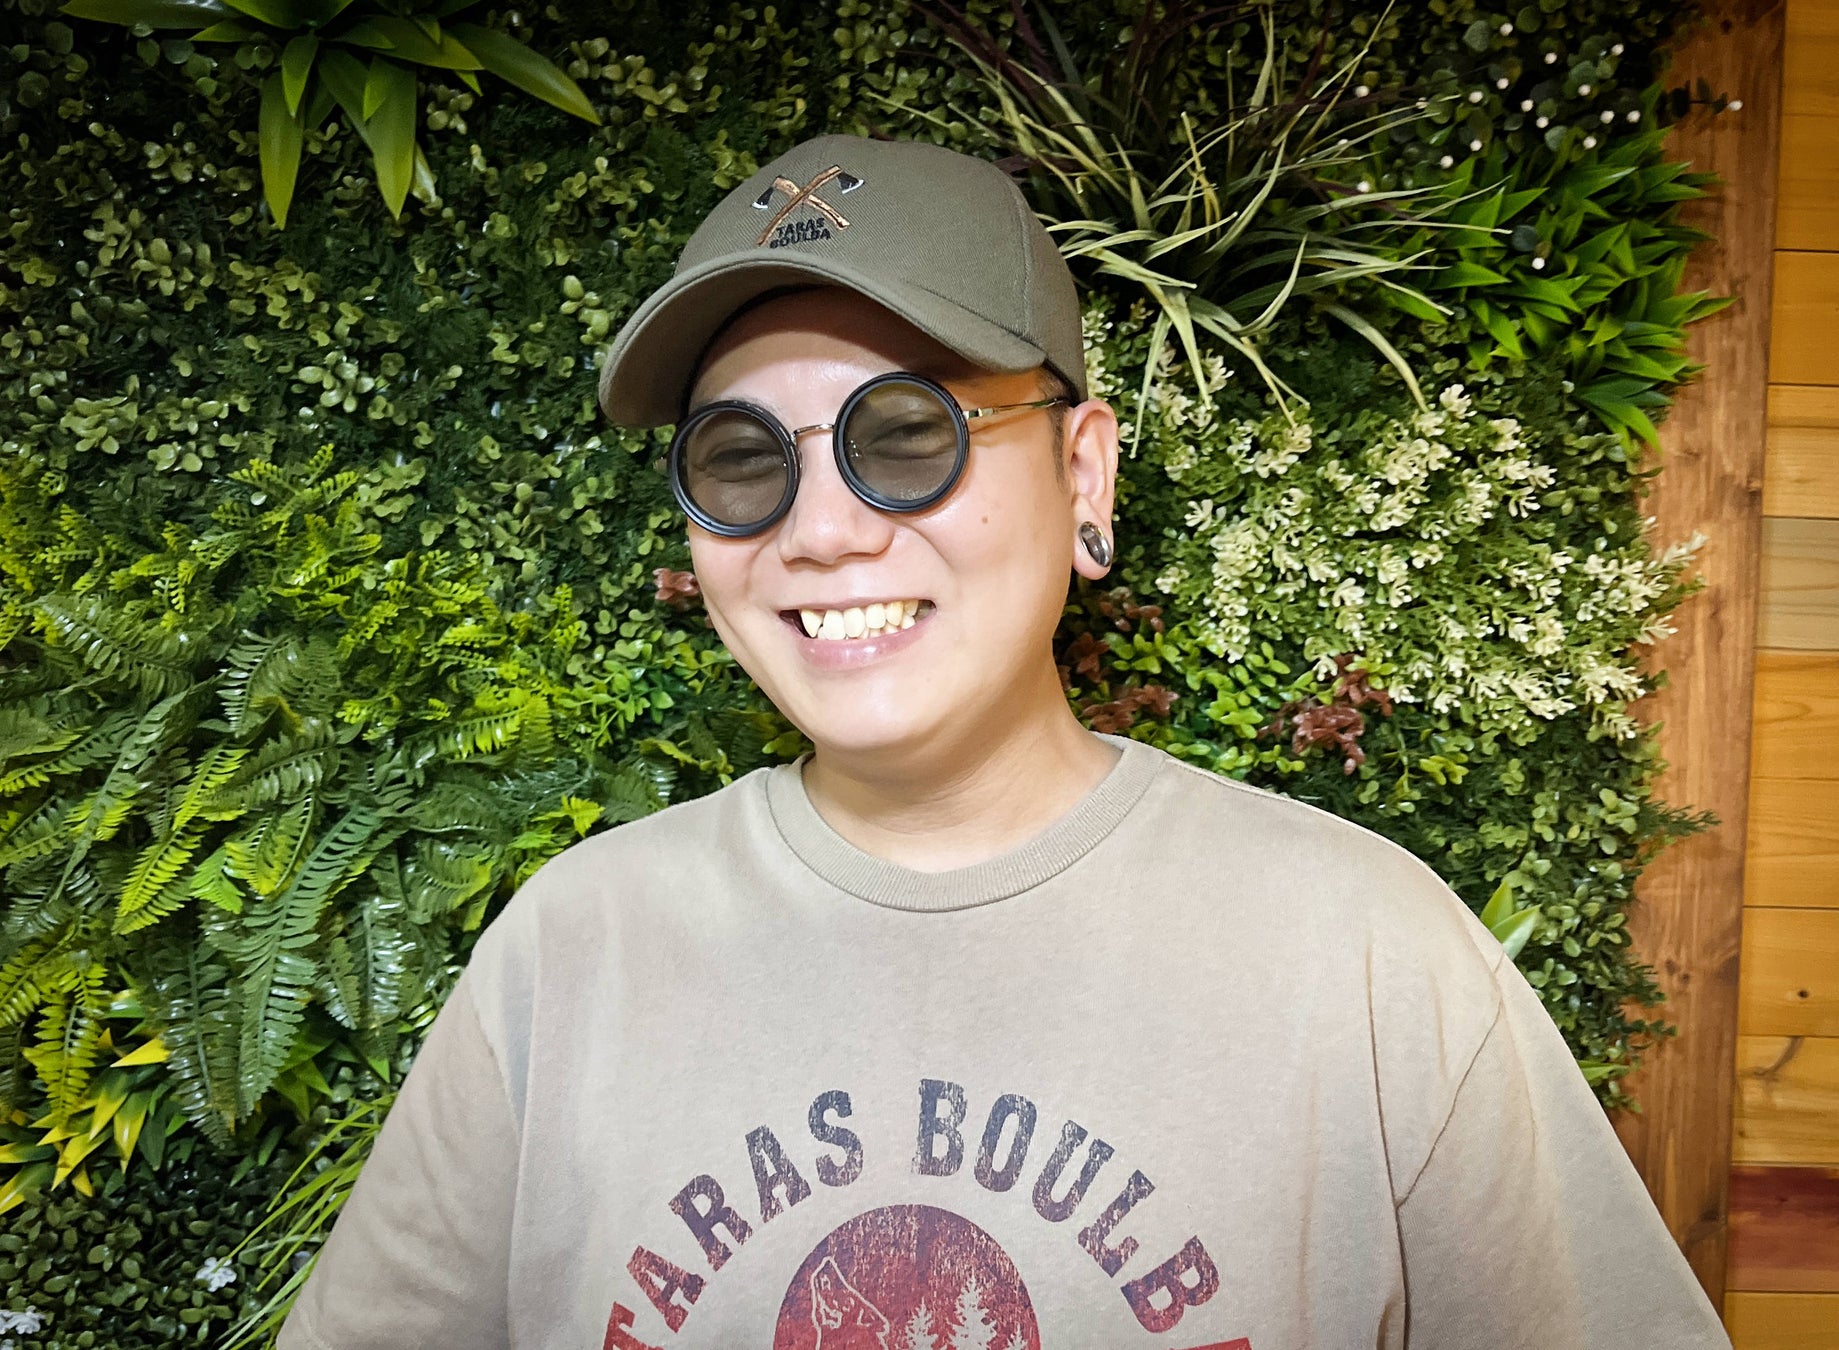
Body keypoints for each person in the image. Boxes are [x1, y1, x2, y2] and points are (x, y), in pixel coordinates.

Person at [277, 133, 1732, 1350]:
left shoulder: (1368, 960)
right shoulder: (571, 952)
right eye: (741, 459)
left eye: (906, 434)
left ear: (1083, 471)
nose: (822, 530)